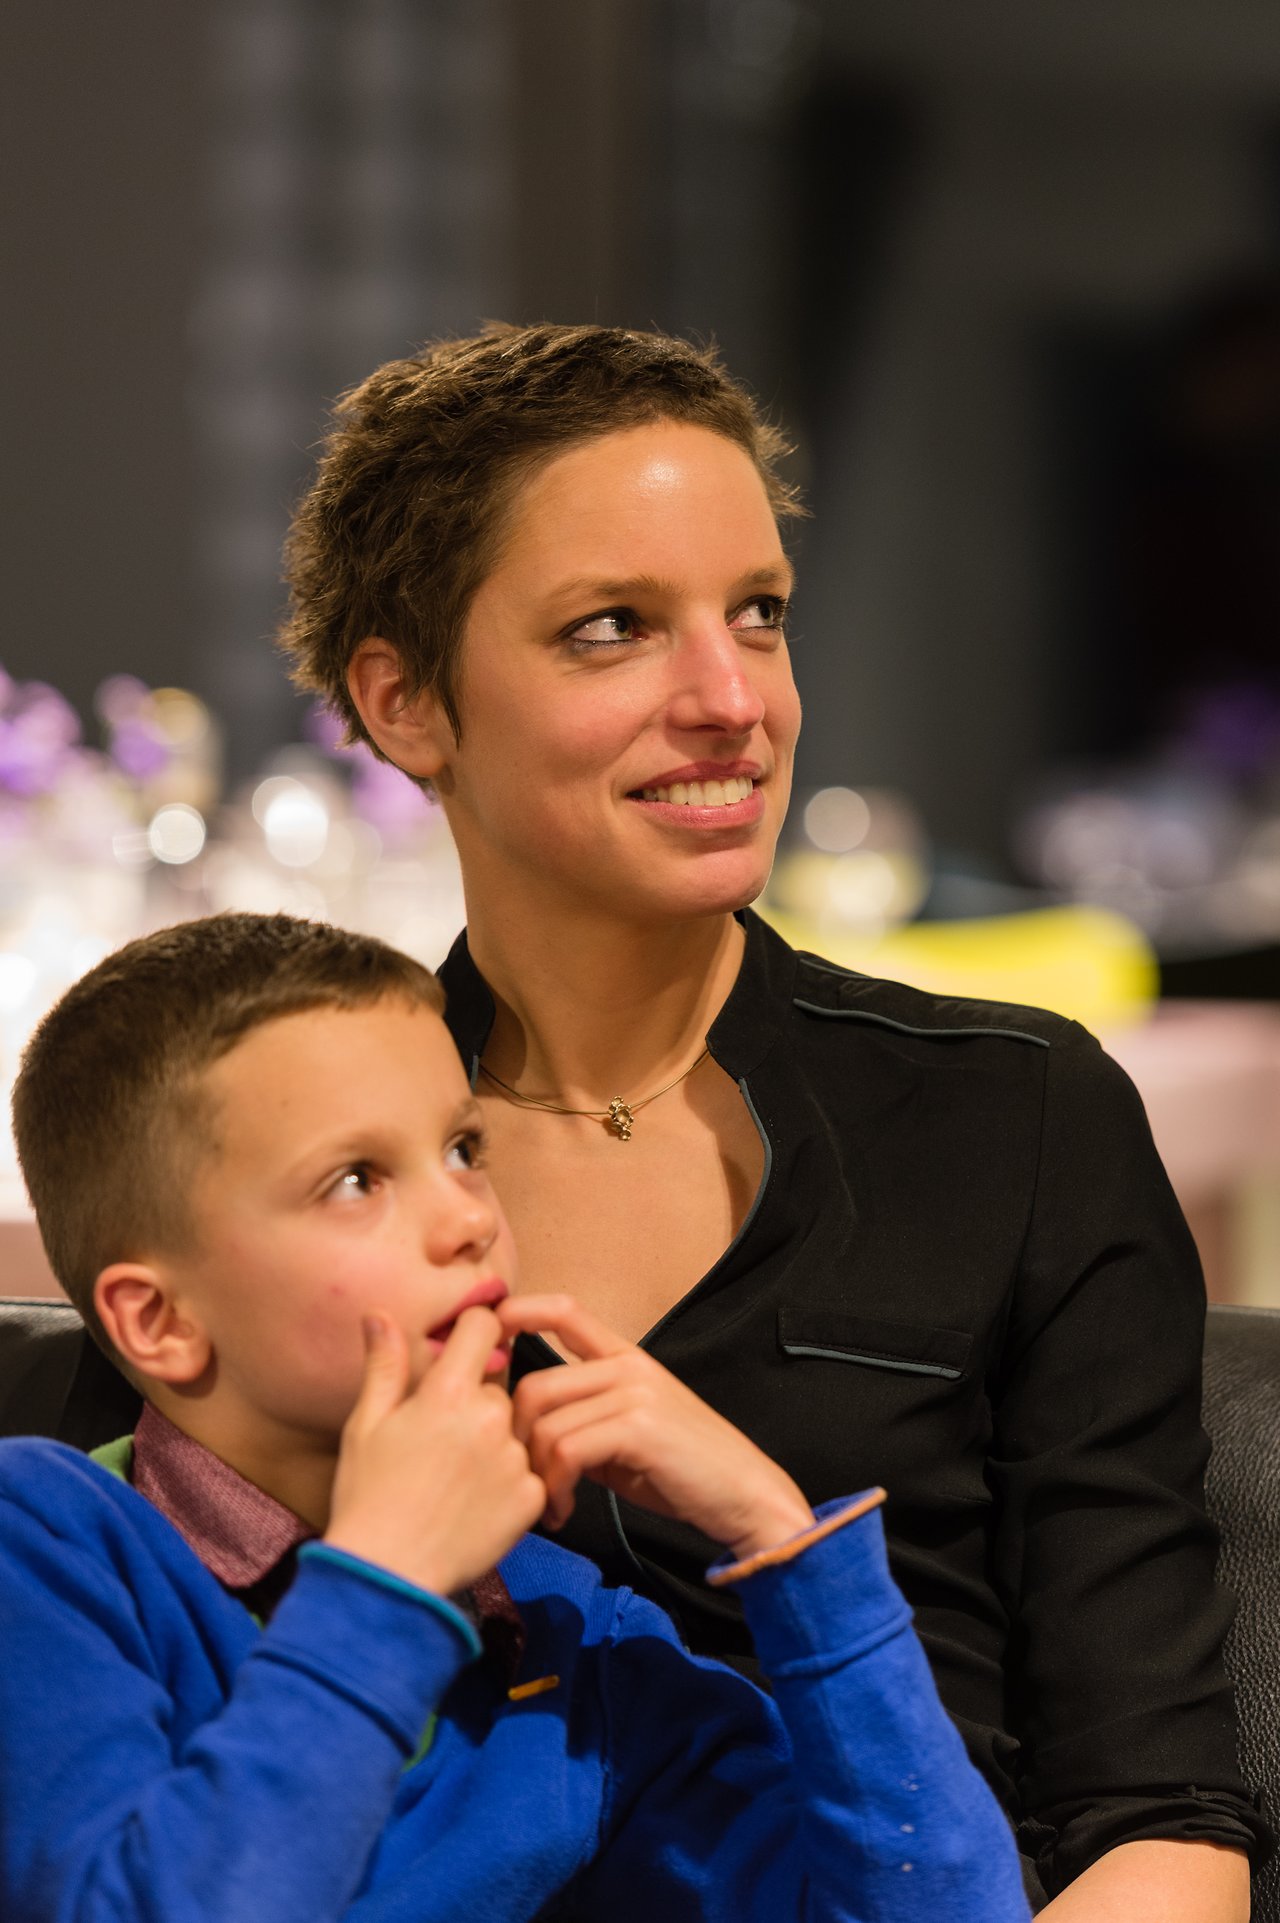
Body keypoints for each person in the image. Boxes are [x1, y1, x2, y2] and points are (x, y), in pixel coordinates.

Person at [279, 321, 1270, 1918]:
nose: (732, 698)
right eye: (614, 627)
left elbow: (1161, 1816)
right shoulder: (286, 1156)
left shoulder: (1013, 1114)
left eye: (759, 613)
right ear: (405, 701)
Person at [1, 910, 1029, 1923]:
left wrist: (783, 1538)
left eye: (463, 1149)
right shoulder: (47, 1547)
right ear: (162, 1321)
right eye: (355, 1180)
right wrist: (390, 1581)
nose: (469, 1217)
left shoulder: (563, 1629)